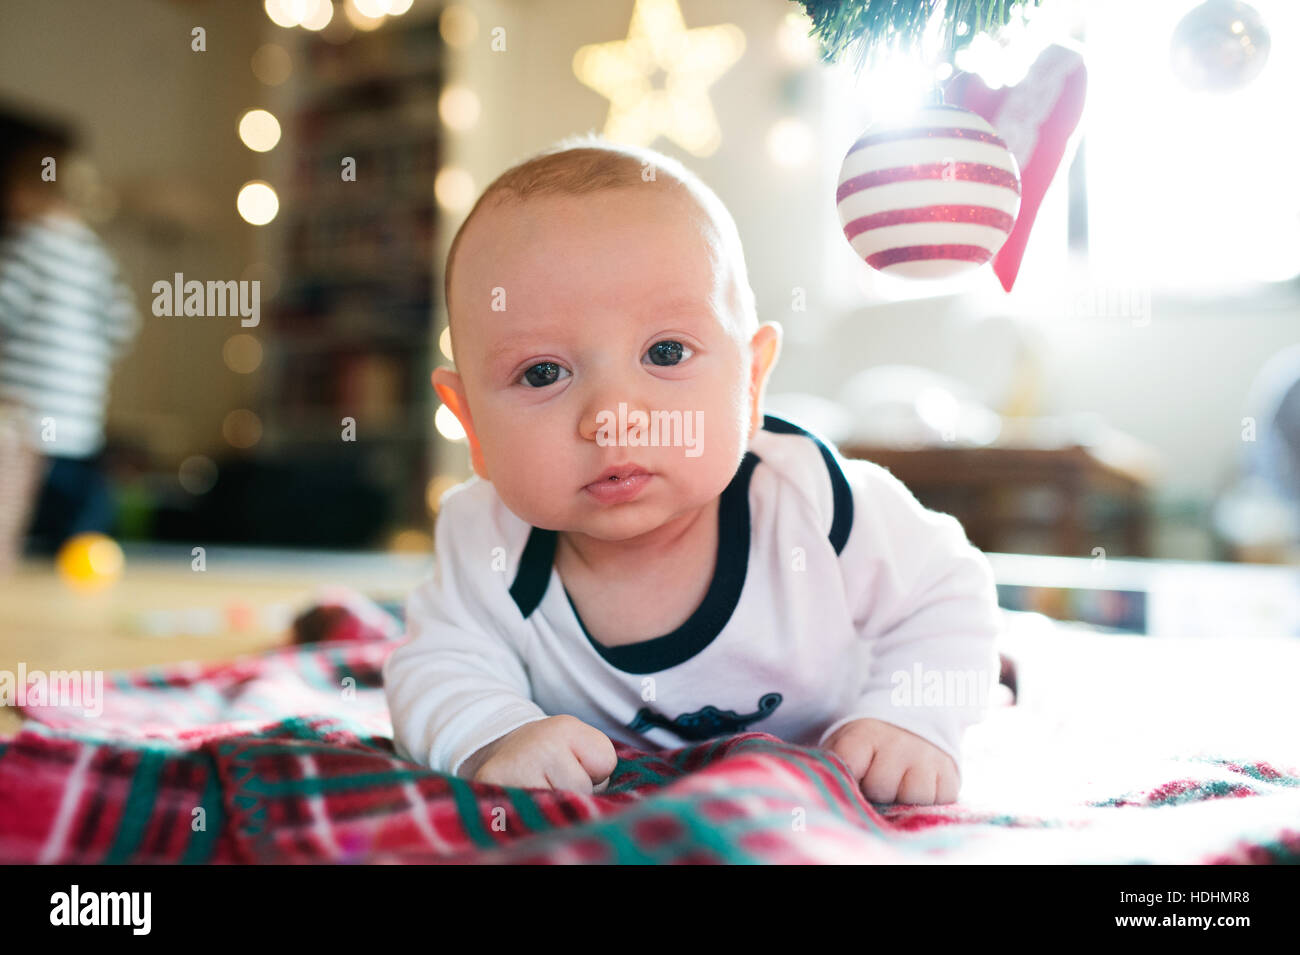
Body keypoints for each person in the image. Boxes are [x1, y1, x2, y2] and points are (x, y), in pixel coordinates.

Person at [382, 135, 1003, 806]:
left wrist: (911, 718)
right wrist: (495, 733)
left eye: (667, 351)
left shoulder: (814, 504)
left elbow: (948, 591)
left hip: (828, 756)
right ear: (470, 421)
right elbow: (437, 665)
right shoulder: (487, 539)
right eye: (542, 372)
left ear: (752, 381)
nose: (613, 416)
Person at [0, 109, 140, 560]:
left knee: (12, 518)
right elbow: (122, 325)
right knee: (80, 526)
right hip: (80, 423)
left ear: (20, 195)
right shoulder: (93, 256)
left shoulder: (24, 248)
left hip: (25, 424)